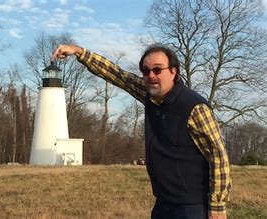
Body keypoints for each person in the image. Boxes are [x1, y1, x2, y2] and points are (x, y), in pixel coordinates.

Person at [52, 44, 231, 219]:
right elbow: (116, 74)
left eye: (157, 70)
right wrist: (78, 52)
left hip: (192, 207)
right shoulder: (151, 96)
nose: (151, 75)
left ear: (174, 72)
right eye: (146, 71)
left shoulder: (194, 107)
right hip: (162, 204)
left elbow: (218, 155)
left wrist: (217, 206)